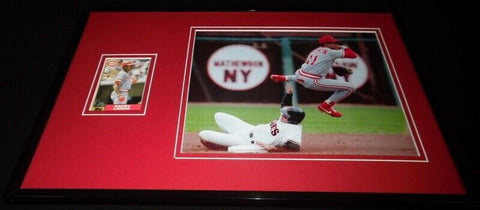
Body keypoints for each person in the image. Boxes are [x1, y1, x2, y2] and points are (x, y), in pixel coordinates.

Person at [198, 84, 305, 153]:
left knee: (203, 134)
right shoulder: (286, 118)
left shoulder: (293, 130)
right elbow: (285, 105)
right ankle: (226, 139)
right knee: (219, 115)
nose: (283, 114)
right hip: (247, 129)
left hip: (246, 142)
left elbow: (294, 148)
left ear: (292, 120)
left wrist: (274, 148)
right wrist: (289, 94)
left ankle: (225, 144)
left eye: (285, 115)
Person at [270, 35, 358, 117]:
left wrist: (335, 67)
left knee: (301, 75)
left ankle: (284, 77)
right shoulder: (330, 52)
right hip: (314, 81)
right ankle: (326, 105)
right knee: (350, 88)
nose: (336, 44)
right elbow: (353, 55)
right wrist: (343, 47)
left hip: (301, 75)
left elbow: (321, 64)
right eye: (334, 43)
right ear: (326, 44)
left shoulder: (315, 51)